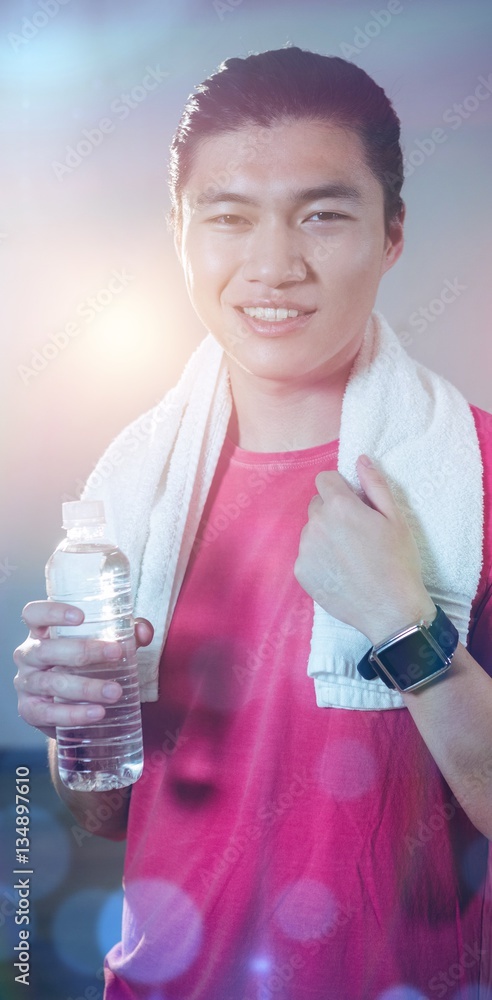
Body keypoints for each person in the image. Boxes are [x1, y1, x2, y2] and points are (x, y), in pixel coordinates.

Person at [13, 47, 492, 1000]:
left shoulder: (473, 476)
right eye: (229, 218)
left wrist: (407, 627)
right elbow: (110, 816)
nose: (273, 265)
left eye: (323, 214)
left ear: (392, 234)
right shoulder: (135, 493)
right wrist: (80, 733)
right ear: (180, 234)